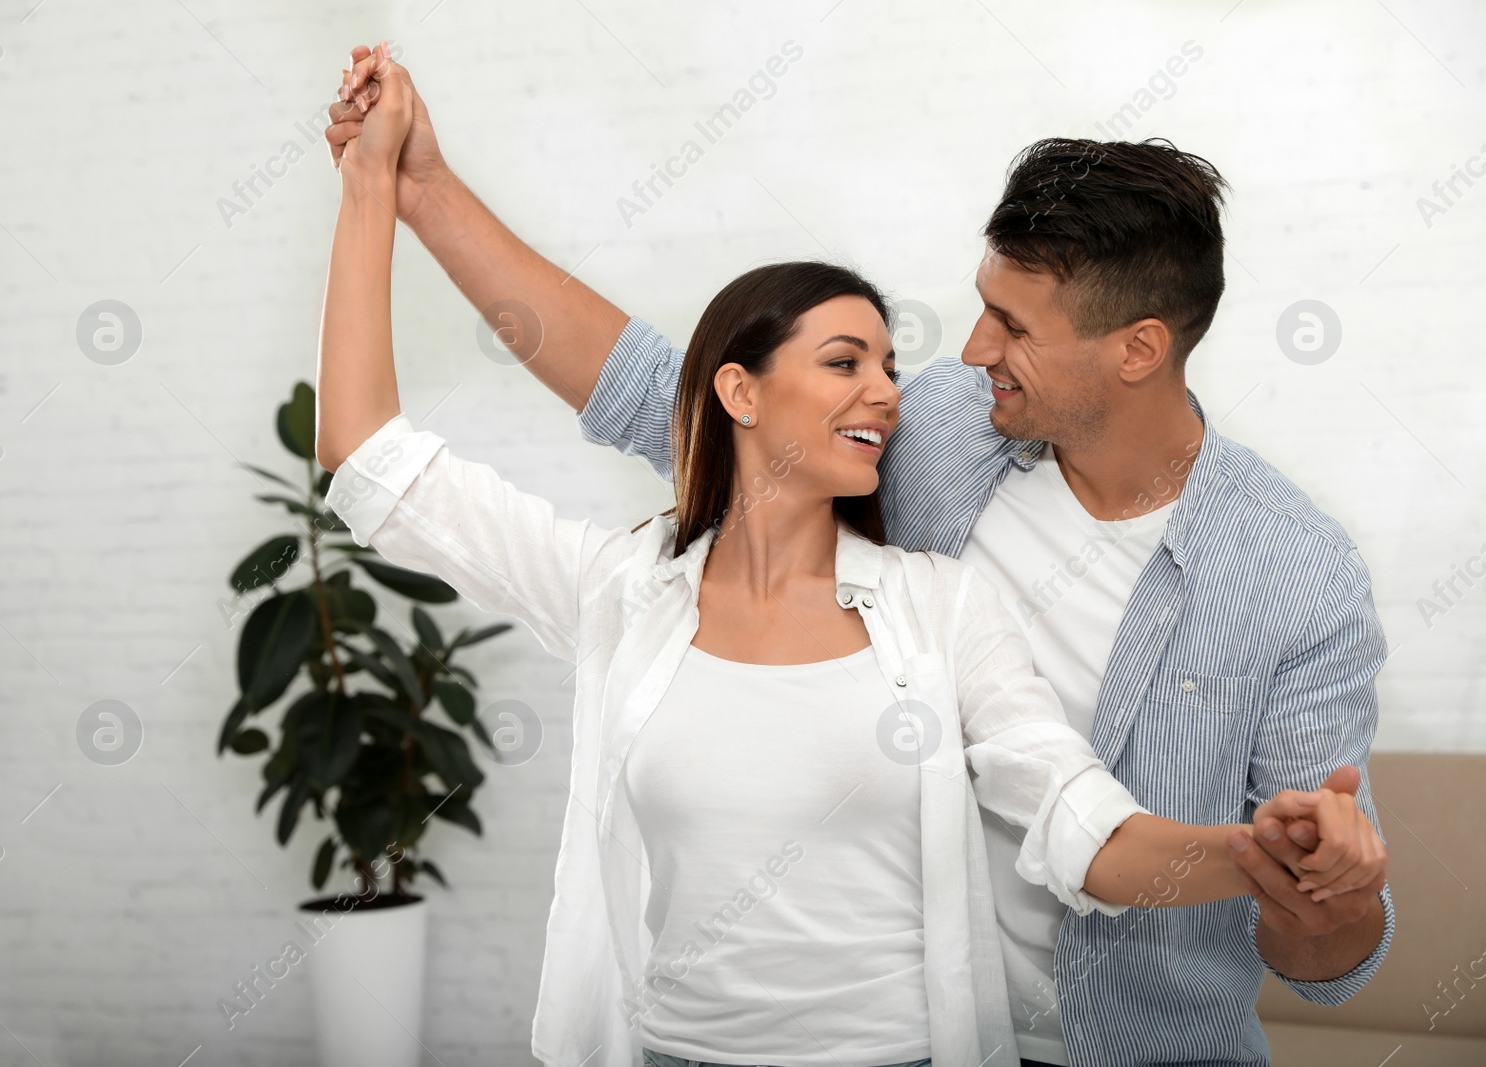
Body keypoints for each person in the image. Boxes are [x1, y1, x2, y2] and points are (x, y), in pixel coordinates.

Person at [325, 43, 1397, 1067]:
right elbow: (663, 391)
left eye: (1010, 324)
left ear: (1137, 348)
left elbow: (1317, 959)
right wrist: (417, 189)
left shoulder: (1293, 578)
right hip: (940, 1021)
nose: (969, 350)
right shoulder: (935, 432)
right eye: (978, 306)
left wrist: (1306, 874)